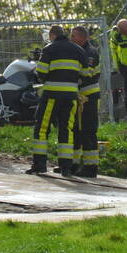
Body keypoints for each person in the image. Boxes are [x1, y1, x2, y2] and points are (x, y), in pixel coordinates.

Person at [27, 25, 86, 175]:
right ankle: (66, 167)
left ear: (52, 35)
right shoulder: (79, 50)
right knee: (66, 130)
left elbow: (41, 73)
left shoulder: (49, 49)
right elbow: (84, 74)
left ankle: (40, 164)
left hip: (52, 95)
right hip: (71, 97)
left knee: (42, 129)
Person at [71, 26, 101, 177]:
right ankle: (74, 164)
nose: (71, 38)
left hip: (88, 96)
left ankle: (91, 167)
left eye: (74, 36)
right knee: (76, 130)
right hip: (79, 96)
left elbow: (87, 74)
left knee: (88, 130)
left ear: (83, 38)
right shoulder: (79, 50)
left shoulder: (89, 52)